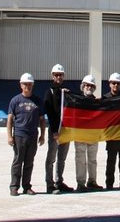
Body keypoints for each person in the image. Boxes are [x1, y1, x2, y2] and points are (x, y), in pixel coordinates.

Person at [7, 72, 46, 196]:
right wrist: (9, 136)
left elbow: (42, 120)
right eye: (25, 84)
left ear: (32, 85)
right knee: (18, 161)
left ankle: (26, 186)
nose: (27, 86)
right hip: (19, 135)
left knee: (29, 162)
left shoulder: (37, 101)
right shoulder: (15, 100)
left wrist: (42, 135)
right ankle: (14, 187)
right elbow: (9, 119)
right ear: (21, 85)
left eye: (29, 84)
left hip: (33, 136)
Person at [43, 63, 73, 194]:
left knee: (62, 158)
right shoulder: (49, 92)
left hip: (66, 130)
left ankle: (59, 182)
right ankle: (49, 184)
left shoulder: (66, 92)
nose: (58, 77)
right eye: (56, 75)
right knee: (51, 157)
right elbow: (49, 112)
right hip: (55, 131)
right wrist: (55, 131)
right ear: (52, 76)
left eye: (60, 75)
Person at [74, 75, 103, 192]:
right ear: (83, 86)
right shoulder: (76, 100)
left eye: (91, 86)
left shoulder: (96, 102)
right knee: (80, 159)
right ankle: (81, 183)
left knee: (92, 160)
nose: (89, 87)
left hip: (93, 134)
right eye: (87, 85)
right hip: (80, 134)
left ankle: (92, 181)